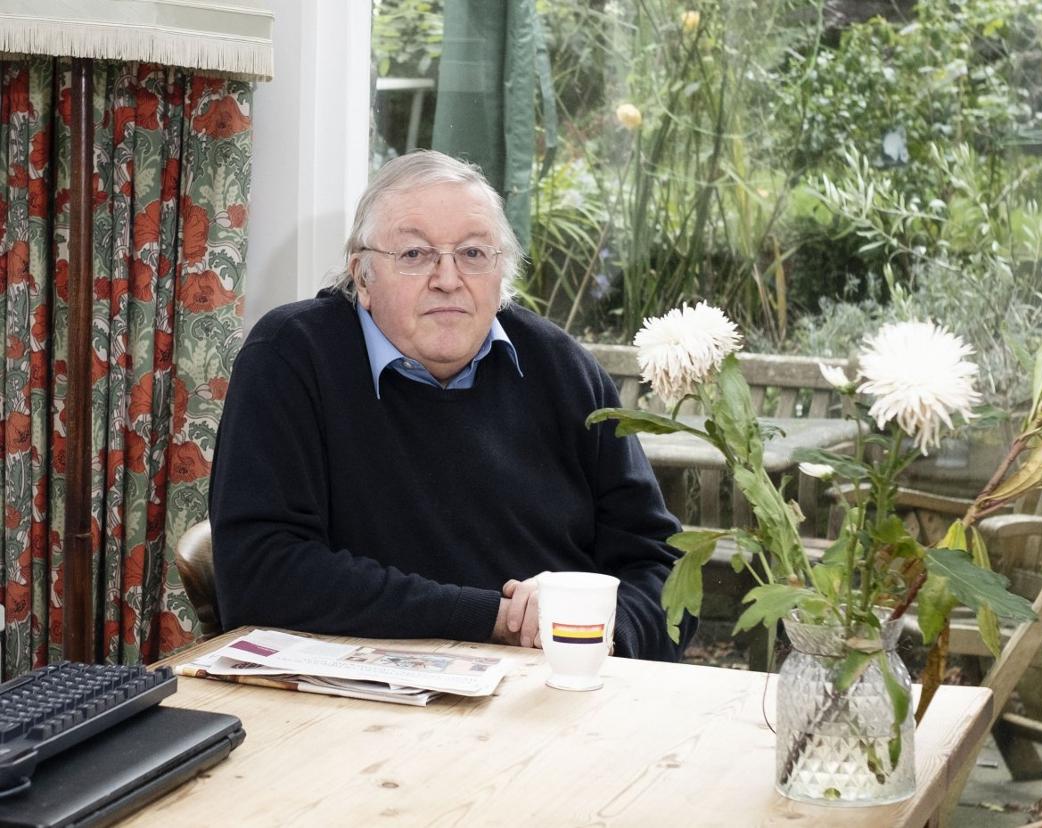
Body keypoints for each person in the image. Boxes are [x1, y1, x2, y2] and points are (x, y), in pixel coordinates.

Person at [208, 150, 693, 661]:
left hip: (561, 685)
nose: (447, 278)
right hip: (362, 704)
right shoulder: (292, 357)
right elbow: (261, 575)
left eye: (473, 254)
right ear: (363, 277)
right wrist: (497, 619)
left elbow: (661, 563)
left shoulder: (562, 368)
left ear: (501, 271)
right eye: (415, 254)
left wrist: (603, 632)